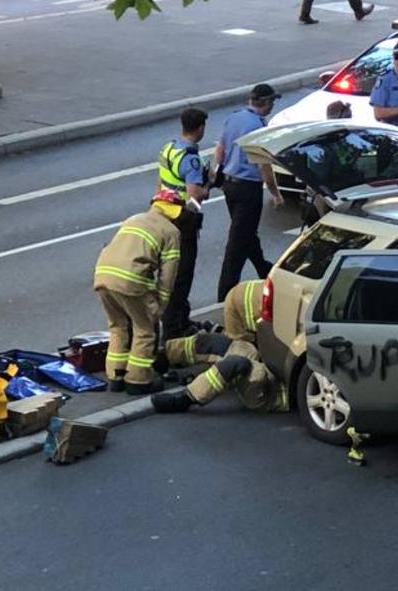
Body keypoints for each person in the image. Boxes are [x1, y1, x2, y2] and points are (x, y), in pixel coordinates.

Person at [94, 190, 182, 394]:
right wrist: (160, 303)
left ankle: (116, 376)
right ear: (176, 212)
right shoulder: (171, 232)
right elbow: (168, 274)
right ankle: (138, 380)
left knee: (118, 326)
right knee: (144, 330)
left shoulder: (133, 219)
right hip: (130, 280)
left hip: (102, 275)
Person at [215, 84, 282, 302]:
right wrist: (275, 192)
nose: (273, 106)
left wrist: (221, 171)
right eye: (272, 102)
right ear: (266, 103)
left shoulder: (235, 118)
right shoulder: (258, 126)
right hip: (248, 190)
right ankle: (224, 296)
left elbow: (220, 150)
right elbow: (263, 165)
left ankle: (266, 270)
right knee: (237, 244)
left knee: (246, 234)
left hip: (229, 185)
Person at [157, 107, 209, 338]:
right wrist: (209, 186)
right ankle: (174, 326)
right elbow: (195, 194)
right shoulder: (190, 159)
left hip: (165, 213)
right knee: (182, 273)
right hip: (184, 220)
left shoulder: (169, 148)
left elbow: (164, 181)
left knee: (169, 270)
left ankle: (179, 318)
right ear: (200, 128)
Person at [149, 339, 289, 414]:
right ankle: (164, 356)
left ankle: (184, 399)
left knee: (236, 364)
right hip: (267, 364)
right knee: (217, 343)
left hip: (272, 390)